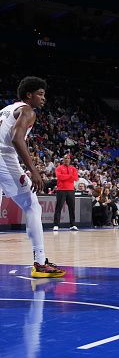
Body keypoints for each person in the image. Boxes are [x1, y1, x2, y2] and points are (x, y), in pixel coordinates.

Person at [0, 76, 65, 277]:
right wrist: (34, 171)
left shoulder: (6, 109)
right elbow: (17, 138)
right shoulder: (28, 110)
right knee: (31, 204)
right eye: (40, 94)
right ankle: (40, 262)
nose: (43, 98)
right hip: (3, 157)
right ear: (29, 95)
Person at [52, 154, 79, 231]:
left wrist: (66, 176)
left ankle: (72, 225)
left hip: (71, 190)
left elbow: (76, 178)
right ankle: (56, 225)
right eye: (65, 158)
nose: (67, 159)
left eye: (68, 158)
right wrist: (70, 176)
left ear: (70, 160)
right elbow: (59, 177)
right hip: (61, 190)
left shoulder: (73, 168)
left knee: (72, 208)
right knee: (58, 208)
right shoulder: (59, 168)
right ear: (63, 160)